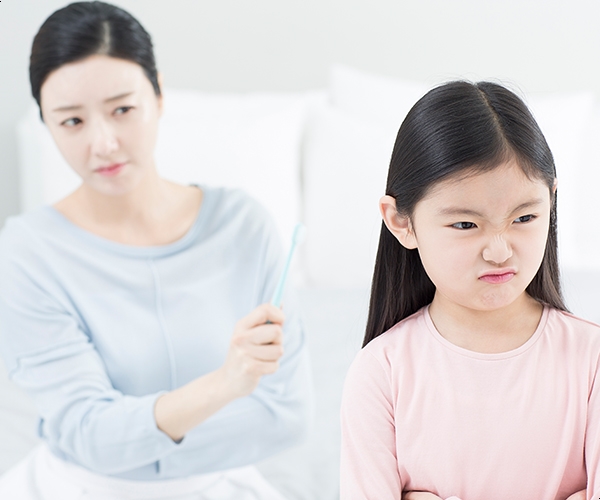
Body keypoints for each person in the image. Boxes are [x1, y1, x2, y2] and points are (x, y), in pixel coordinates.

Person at [0, 2, 311, 499]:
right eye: (72, 121)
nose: (103, 143)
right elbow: (87, 433)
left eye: (122, 110)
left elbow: (285, 417)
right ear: (47, 125)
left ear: (159, 95)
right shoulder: (27, 252)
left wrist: (133, 444)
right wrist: (225, 385)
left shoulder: (242, 226)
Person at [339, 81, 597, 500]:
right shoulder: (381, 373)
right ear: (401, 222)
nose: (499, 251)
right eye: (465, 224)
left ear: (551, 203)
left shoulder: (592, 361)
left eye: (524, 218)